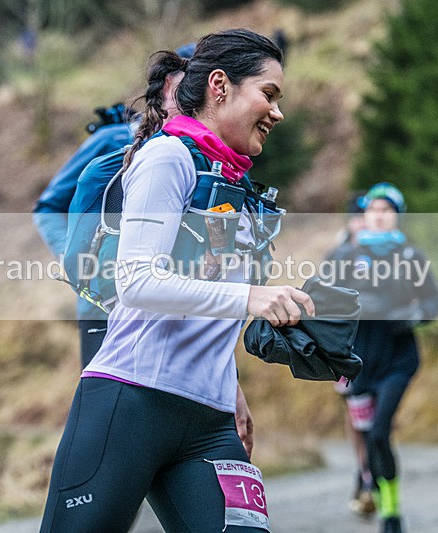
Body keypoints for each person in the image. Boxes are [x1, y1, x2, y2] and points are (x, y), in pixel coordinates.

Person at [39, 29, 315, 533]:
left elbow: (206, 301)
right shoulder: (167, 156)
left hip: (210, 420)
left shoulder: (232, 179)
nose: (277, 113)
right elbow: (138, 282)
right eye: (269, 94)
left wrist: (231, 386)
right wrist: (252, 297)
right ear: (220, 85)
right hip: (131, 402)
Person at [33, 44, 194, 369]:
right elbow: (48, 208)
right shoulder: (112, 141)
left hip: (173, 310)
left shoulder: (200, 154)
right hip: (102, 307)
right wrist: (81, 263)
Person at [329, 182, 438, 533]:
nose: (379, 216)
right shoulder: (345, 255)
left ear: (398, 216)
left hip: (398, 358)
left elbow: (435, 301)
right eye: (373, 210)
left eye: (387, 210)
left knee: (380, 432)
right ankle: (375, 493)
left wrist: (413, 315)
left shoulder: (411, 256)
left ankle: (391, 513)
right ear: (364, 215)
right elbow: (320, 299)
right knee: (367, 437)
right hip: (357, 362)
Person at [324, 193, 374, 516]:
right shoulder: (340, 251)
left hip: (380, 346)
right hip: (349, 347)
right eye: (360, 218)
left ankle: (370, 470)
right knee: (356, 412)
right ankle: (364, 470)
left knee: (376, 415)